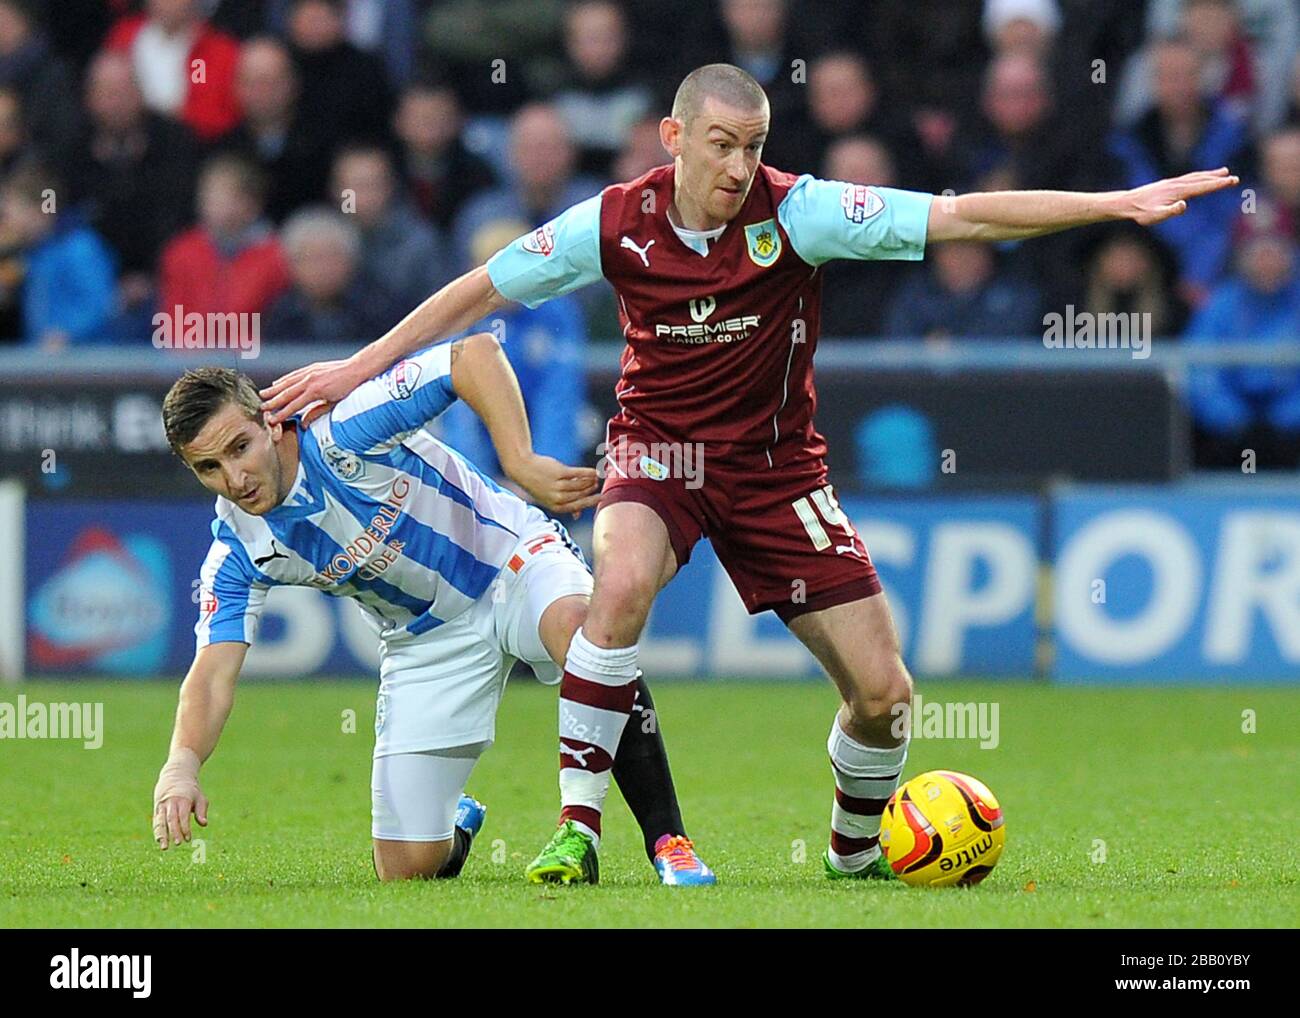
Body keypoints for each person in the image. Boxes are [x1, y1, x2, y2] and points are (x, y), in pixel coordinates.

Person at [260, 63, 1238, 884]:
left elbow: (962, 218)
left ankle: (852, 851)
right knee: (623, 584)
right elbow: (477, 291)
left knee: (885, 694)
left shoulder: (800, 212)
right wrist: (355, 368)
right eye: (721, 143)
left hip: (778, 472)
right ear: (673, 136)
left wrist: (1109, 204)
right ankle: (578, 829)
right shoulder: (612, 221)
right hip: (658, 453)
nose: (739, 164)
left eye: (753, 144)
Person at [153, 337, 716, 886]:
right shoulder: (237, 548)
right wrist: (182, 763)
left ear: (269, 422)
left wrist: (518, 460)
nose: (235, 478)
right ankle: (457, 825)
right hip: (423, 642)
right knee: (405, 867)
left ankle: (669, 841)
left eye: (239, 448)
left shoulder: (346, 427)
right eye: (208, 468)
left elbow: (474, 356)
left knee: (582, 634)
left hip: (510, 563)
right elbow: (212, 671)